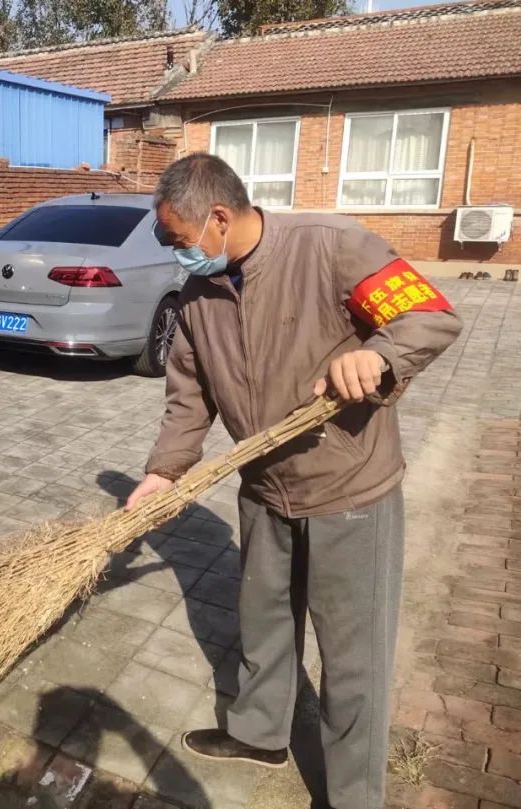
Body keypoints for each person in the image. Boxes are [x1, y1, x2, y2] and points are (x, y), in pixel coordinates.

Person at [125, 153, 461, 809]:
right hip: (262, 487)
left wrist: (379, 354)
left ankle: (351, 795)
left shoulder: (333, 249)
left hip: (350, 489)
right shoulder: (199, 296)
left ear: (217, 218)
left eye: (176, 238)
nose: (175, 253)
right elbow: (188, 397)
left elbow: (431, 317)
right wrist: (163, 473)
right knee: (264, 622)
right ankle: (259, 733)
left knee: (354, 658)